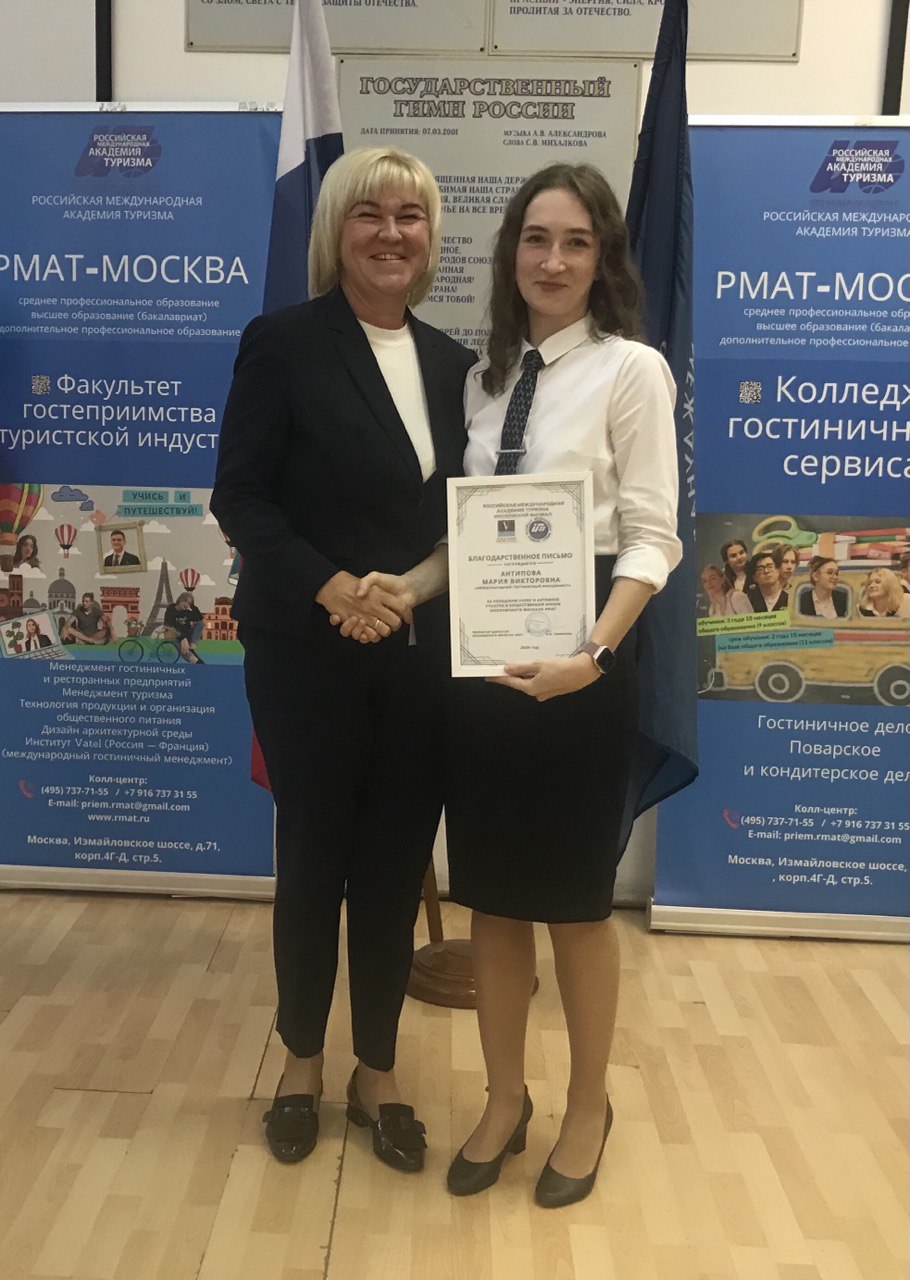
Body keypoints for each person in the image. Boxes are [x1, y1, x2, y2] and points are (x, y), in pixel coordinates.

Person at [348, 163, 682, 1207]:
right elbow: (472, 534)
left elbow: (652, 536)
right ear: (510, 253)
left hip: (586, 662)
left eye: (576, 241)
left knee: (576, 907)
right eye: (536, 238)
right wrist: (404, 587)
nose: (552, 259)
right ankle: (504, 1098)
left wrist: (594, 656)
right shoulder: (483, 379)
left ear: (603, 256)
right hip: (483, 665)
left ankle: (586, 1106)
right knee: (492, 901)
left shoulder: (631, 369)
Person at [210, 147, 475, 1172]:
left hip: (417, 648)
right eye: (370, 213)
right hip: (304, 648)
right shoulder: (282, 343)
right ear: (336, 229)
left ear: (431, 236)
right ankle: (300, 1062)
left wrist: (402, 593)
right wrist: (332, 588)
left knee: (396, 861)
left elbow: (462, 516)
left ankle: (378, 1070)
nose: (391, 233)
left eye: (410, 215)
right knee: (315, 857)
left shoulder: (459, 365)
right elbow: (241, 496)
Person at [163, 591, 205, 663]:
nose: (186, 604)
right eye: (185, 601)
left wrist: (192, 606)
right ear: (180, 599)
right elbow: (168, 626)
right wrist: (182, 639)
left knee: (200, 623)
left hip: (185, 635)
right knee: (173, 637)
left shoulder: (187, 611)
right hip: (172, 633)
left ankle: (192, 646)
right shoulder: (171, 608)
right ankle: (194, 660)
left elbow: (200, 619)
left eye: (189, 603)